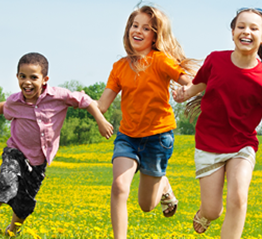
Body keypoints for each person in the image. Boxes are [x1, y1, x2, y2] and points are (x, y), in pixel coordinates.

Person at [173, 8, 262, 238]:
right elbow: (202, 82)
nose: (246, 31)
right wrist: (186, 93)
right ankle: (206, 212)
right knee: (213, 210)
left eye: (254, 28)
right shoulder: (215, 59)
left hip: (242, 145)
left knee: (238, 197)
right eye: (241, 26)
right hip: (208, 142)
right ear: (233, 32)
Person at [0, 52, 114, 237]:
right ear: (17, 76)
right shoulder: (15, 101)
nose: (27, 82)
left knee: (25, 202)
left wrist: (100, 120)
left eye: (33, 77)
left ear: (44, 79)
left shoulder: (59, 96)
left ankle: (12, 231)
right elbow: (4, 106)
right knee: (4, 181)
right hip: (15, 151)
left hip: (39, 159)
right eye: (22, 76)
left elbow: (86, 101)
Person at [96, 4, 199, 238]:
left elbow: (188, 81)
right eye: (135, 26)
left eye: (146, 28)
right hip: (128, 138)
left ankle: (162, 184)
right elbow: (102, 105)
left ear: (155, 36)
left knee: (146, 206)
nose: (138, 31)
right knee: (120, 187)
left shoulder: (160, 61)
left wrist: (187, 92)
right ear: (128, 29)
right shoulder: (119, 67)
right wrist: (77, 100)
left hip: (157, 139)